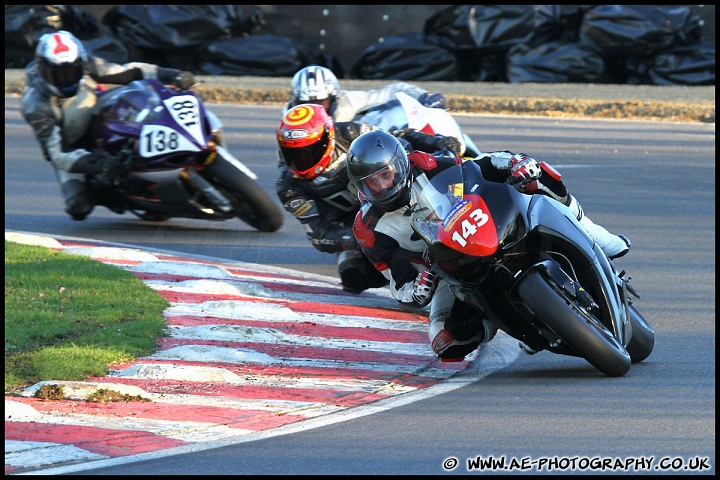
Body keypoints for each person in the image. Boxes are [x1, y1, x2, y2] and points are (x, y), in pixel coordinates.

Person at [347, 129, 631, 362]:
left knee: (536, 172)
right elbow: (398, 283)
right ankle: (520, 326)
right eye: (373, 182)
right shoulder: (368, 227)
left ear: (399, 165)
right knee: (445, 341)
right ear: (362, 187)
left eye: (386, 175)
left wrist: (513, 163)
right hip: (448, 271)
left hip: (482, 224)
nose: (383, 186)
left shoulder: (421, 164)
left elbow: (472, 167)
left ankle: (591, 232)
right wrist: (418, 288)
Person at [275, 103, 462, 294]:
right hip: (362, 223)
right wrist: (367, 238)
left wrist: (436, 142)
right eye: (293, 154)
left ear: (327, 137)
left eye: (309, 150)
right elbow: (319, 235)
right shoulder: (289, 187)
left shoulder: (350, 133)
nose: (301, 159)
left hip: (400, 187)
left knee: (445, 162)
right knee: (353, 275)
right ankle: (416, 285)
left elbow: (395, 138)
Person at [20, 30, 196, 221]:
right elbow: (58, 153)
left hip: (99, 114)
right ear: (41, 69)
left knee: (133, 95)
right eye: (57, 74)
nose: (65, 79)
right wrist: (100, 164)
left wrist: (170, 75)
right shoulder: (35, 104)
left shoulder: (88, 63)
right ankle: (125, 195)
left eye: (71, 71)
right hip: (71, 148)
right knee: (78, 207)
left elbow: (125, 71)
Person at [283, 64, 447, 122]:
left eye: (320, 103)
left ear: (333, 98)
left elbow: (391, 91)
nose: (313, 110)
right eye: (306, 104)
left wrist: (423, 96)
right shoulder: (289, 117)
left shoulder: (348, 101)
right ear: (295, 102)